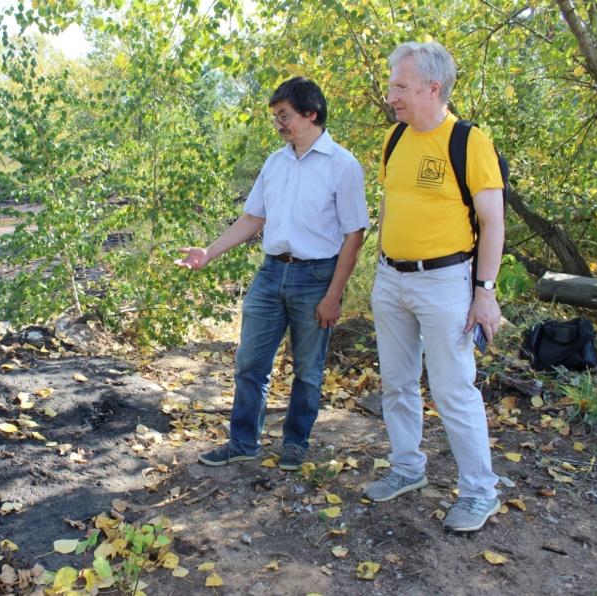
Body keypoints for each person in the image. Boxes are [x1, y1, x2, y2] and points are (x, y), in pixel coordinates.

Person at [176, 77, 368, 471]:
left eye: (285, 115)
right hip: (269, 275)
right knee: (250, 363)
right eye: (275, 117)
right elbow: (253, 217)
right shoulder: (275, 162)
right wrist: (209, 252)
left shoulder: (343, 165)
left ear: (310, 114)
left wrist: (334, 294)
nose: (279, 124)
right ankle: (243, 441)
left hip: (317, 277)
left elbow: (355, 234)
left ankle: (295, 443)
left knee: (309, 370)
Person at [364, 41, 504, 532]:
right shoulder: (395, 139)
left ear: (432, 87)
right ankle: (406, 469)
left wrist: (484, 291)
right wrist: (382, 266)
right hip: (391, 279)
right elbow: (390, 204)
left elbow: (492, 222)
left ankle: (479, 492)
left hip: (446, 282)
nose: (391, 96)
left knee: (453, 389)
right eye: (392, 85)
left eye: (400, 86)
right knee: (397, 384)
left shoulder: (468, 141)